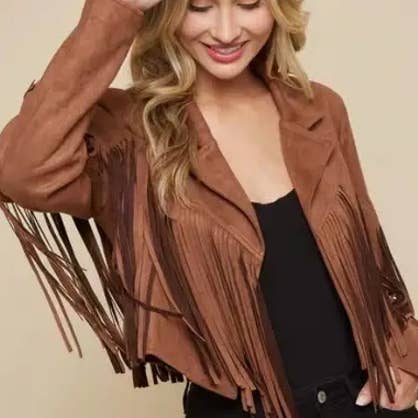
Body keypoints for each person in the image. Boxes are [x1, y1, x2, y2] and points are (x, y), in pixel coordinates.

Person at [0, 1, 417, 417]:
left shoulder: (319, 108)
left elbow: (370, 253)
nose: (226, 31)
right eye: (200, 7)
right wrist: (117, 8)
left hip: (363, 402)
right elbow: (24, 172)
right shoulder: (130, 135)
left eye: (248, 4)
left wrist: (408, 356)